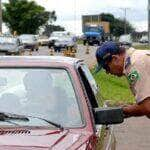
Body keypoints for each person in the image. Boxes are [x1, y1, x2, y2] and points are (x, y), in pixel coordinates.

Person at [96, 41, 150, 118]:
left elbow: (147, 108)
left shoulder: (135, 65)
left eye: (106, 67)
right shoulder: (137, 56)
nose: (107, 72)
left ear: (115, 59)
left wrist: (122, 110)